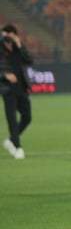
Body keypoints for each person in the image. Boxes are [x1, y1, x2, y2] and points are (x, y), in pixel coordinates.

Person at [1, 24, 33, 160]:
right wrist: (4, 75)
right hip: (7, 89)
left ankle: (10, 140)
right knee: (12, 119)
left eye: (9, 35)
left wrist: (19, 45)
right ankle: (18, 147)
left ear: (14, 35)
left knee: (27, 117)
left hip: (21, 87)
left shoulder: (18, 47)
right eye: (4, 35)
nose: (6, 38)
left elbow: (29, 61)